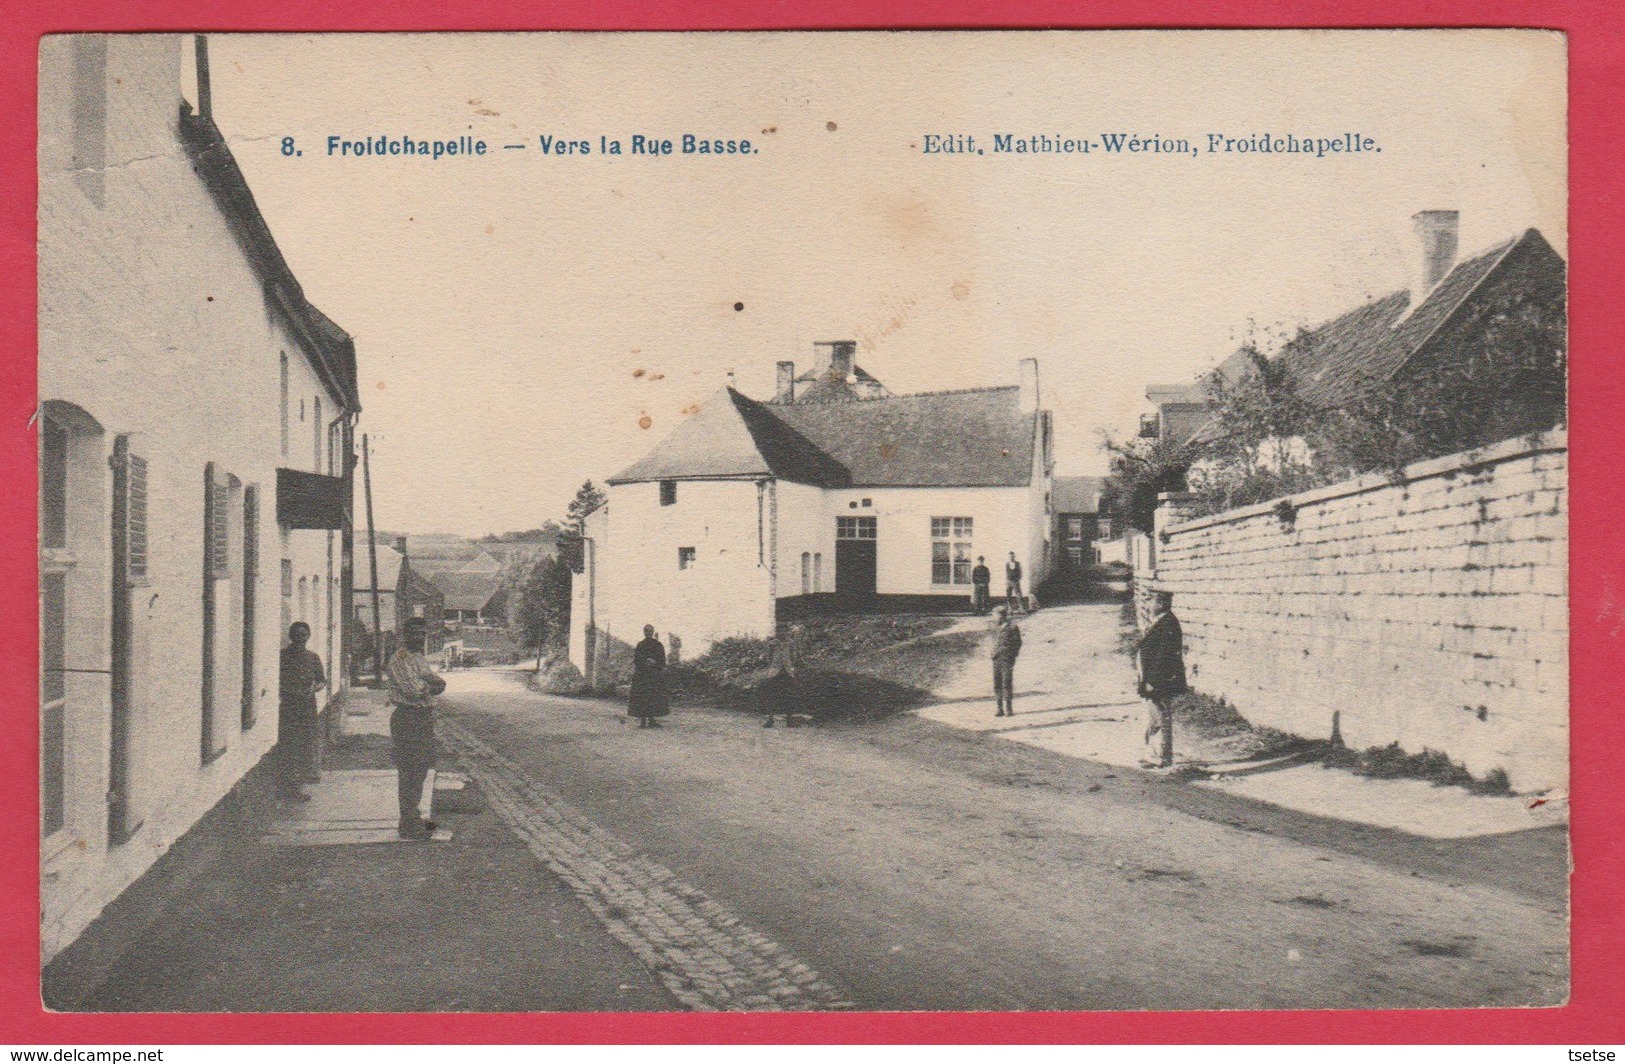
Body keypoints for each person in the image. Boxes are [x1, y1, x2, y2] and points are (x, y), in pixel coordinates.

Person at [385, 616, 446, 840]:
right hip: (408, 717)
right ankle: (407, 822)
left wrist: (433, 684)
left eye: (422, 633)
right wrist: (433, 686)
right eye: (414, 633)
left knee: (420, 769)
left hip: (422, 718)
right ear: (404, 635)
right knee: (410, 769)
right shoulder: (400, 658)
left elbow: (436, 681)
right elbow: (415, 690)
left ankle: (413, 815)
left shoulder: (418, 658)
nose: (419, 638)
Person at [1136, 590, 1188, 768]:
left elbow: (1165, 656)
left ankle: (1162, 757)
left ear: (1160, 604)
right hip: (1154, 679)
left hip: (1160, 681)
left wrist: (1153, 681)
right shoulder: (1161, 621)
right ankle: (1155, 754)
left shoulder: (1168, 624)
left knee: (1159, 718)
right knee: (1155, 717)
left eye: (1150, 602)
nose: (1148, 605)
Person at [277, 622, 326, 801]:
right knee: (291, 746)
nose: (301, 638)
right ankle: (290, 788)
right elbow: (277, 681)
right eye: (297, 635)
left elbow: (321, 680)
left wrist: (313, 689)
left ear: (309, 636)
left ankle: (299, 784)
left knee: (305, 744)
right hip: (289, 707)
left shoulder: (313, 657)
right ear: (291, 636)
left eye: (304, 635)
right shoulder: (282, 657)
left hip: (307, 706)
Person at [761, 622, 806, 729]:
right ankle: (770, 719)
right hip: (775, 671)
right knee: (771, 695)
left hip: (787, 672)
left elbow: (793, 657)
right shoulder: (772, 644)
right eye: (779, 631)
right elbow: (768, 658)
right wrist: (774, 666)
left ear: (787, 631)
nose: (781, 633)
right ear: (776, 632)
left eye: (783, 630)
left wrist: (788, 665)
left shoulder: (791, 643)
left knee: (789, 695)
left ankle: (789, 721)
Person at [629, 625, 671, 728]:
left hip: (654, 675)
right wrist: (645, 661)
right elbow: (636, 659)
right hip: (642, 675)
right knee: (642, 697)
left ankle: (652, 720)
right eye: (646, 631)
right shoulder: (640, 645)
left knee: (653, 697)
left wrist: (655, 662)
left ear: (653, 632)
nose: (648, 633)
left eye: (650, 631)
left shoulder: (658, 645)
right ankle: (643, 721)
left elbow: (662, 659)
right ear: (644, 632)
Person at [991, 606, 1022, 718]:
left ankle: (1009, 708)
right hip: (996, 658)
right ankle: (999, 708)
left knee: (1006, 683)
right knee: (997, 683)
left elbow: (1018, 643)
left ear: (1002, 616)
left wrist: (1012, 655)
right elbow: (995, 641)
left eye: (995, 615)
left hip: (1007, 659)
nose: (994, 617)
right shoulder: (995, 626)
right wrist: (993, 653)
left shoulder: (1012, 627)